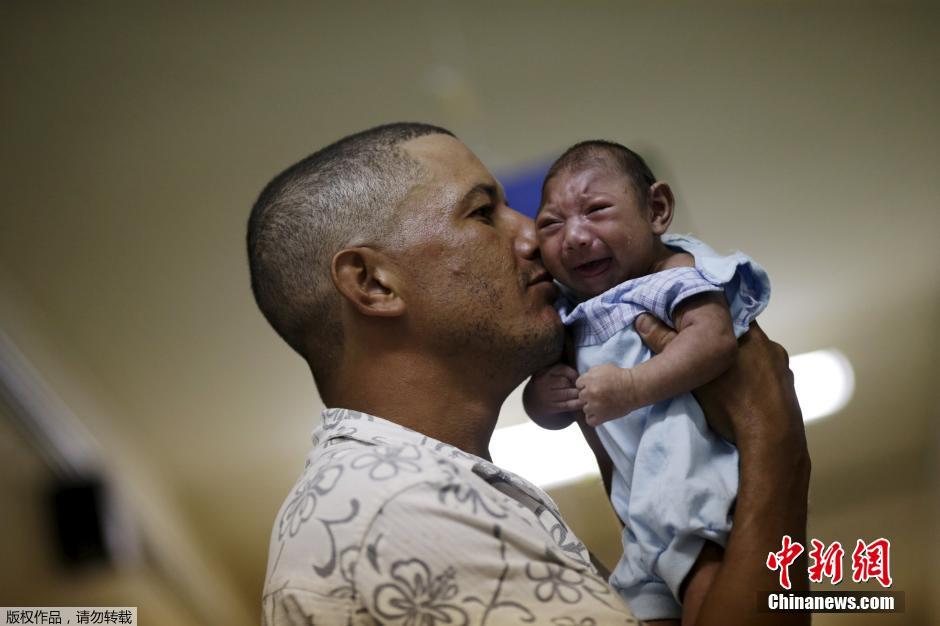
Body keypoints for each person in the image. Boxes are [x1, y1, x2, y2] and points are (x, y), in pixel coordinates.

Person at [247, 122, 810, 626]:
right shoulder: (399, 509)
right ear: (373, 282)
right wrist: (772, 441)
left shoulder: (413, 494)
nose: (533, 237)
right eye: (483, 212)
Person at [524, 140, 770, 621]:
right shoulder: (566, 311)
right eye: (551, 224)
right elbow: (552, 416)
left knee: (707, 589)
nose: (573, 236)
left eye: (596, 210)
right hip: (639, 512)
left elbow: (713, 341)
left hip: (691, 483)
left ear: (657, 210)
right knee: (642, 606)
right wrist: (542, 398)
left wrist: (634, 387)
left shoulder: (671, 275)